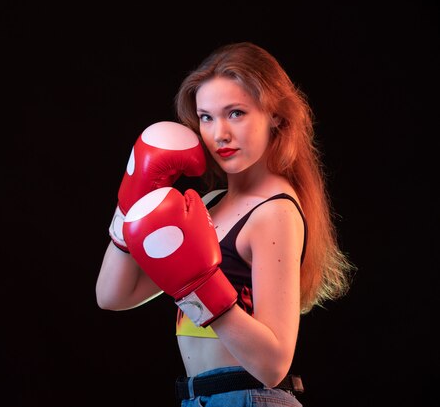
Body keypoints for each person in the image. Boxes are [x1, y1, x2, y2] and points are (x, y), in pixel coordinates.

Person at [96, 41, 356, 407]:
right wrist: (130, 204)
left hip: (251, 397)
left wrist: (199, 286)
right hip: (199, 398)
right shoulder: (204, 206)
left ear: (276, 116)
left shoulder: (274, 212)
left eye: (236, 113)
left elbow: (273, 364)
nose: (220, 133)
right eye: (206, 117)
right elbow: (112, 296)